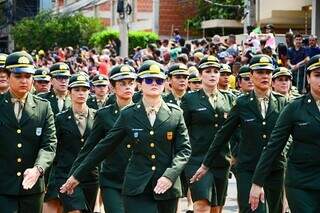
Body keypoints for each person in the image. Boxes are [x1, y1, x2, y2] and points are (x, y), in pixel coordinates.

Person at [60, 60, 191, 213]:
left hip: (167, 187)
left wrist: (170, 175)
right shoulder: (128, 114)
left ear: (165, 84)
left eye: (159, 80)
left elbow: (184, 151)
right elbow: (103, 147)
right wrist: (76, 176)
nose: (154, 83)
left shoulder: (175, 114)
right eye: (148, 80)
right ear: (140, 85)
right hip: (137, 187)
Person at [191, 54, 288, 213]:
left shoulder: (283, 103)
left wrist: (283, 151)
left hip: (274, 168)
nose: (265, 76)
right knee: (252, 210)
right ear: (251, 75)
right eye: (260, 72)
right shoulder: (242, 103)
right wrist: (205, 164)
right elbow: (223, 134)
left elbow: (290, 135)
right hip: (248, 167)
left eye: (268, 72)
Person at [249, 54, 320, 213]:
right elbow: (274, 145)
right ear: (308, 78)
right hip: (302, 184)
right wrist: (257, 182)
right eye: (317, 75)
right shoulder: (294, 108)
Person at [69, 64, 137, 213]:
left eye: (131, 83)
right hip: (112, 179)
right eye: (122, 83)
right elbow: (90, 148)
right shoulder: (103, 115)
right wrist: (74, 175)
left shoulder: (142, 112)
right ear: (112, 86)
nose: (128, 87)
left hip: (138, 178)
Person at [0, 51, 57, 213]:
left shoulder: (43, 107)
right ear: (8, 76)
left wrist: (38, 168)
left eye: (28, 76)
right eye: (18, 76)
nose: (24, 80)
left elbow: (49, 144)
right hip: (3, 186)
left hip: (32, 188)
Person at [181, 55, 235, 213]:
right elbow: (182, 129)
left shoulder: (229, 99)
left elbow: (237, 129)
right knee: (202, 205)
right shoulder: (190, 100)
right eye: (208, 71)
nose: (212, 74)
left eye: (216, 71)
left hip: (221, 159)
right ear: (200, 74)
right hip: (197, 159)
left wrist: (235, 153)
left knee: (216, 209)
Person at [52, 73, 98, 213]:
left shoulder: (97, 116)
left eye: (84, 90)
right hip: (66, 173)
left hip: (90, 175)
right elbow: (53, 146)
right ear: (70, 92)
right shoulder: (60, 119)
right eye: (77, 90)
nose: (81, 93)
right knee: (74, 210)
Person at [40, 62, 72, 213]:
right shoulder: (42, 100)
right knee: (49, 201)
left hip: (69, 159)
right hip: (49, 160)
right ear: (51, 80)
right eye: (59, 77)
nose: (63, 81)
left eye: (66, 77)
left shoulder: (75, 100)